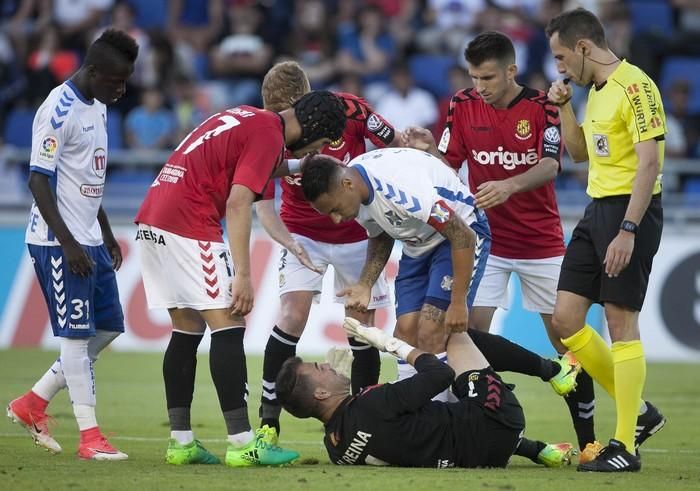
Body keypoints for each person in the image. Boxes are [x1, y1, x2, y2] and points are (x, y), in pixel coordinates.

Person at [301, 148, 580, 467]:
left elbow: (461, 234)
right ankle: (525, 428)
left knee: (437, 332)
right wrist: (365, 283)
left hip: (458, 237)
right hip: (418, 246)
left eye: (335, 209)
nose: (337, 219)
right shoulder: (356, 192)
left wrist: (459, 301)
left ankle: (553, 370)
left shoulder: (404, 191)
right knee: (405, 334)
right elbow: (380, 236)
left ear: (347, 185)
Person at [402, 31, 596, 456]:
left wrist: (508, 186)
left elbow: (549, 166)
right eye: (474, 77)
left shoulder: (543, 106)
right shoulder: (461, 104)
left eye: (488, 77)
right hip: (484, 242)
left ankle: (590, 443)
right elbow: (448, 167)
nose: (480, 87)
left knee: (569, 344)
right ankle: (464, 432)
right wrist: (427, 150)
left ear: (511, 70)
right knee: (464, 334)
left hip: (541, 243)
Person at [134, 90, 347, 467]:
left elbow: (256, 165)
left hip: (154, 216)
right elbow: (237, 203)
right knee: (230, 324)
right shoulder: (270, 134)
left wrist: (300, 167)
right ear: (314, 129)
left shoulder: (248, 116)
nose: (312, 150)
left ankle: (181, 442)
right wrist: (243, 275)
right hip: (189, 222)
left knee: (186, 330)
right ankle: (243, 442)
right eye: (318, 143)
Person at [6, 29, 138, 461]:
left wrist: (101, 232)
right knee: (76, 341)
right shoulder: (57, 109)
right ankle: (90, 437)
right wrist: (67, 243)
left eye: (126, 82)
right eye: (116, 82)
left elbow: (88, 179)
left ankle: (33, 402)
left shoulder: (97, 105)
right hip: (56, 242)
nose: (121, 91)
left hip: (88, 238)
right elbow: (37, 180)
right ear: (94, 70)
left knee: (109, 327)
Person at [546, 7, 667, 472]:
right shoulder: (593, 91)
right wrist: (563, 106)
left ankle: (625, 448)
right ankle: (639, 412)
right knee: (566, 321)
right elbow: (578, 154)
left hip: (629, 212)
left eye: (560, 57)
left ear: (582, 47)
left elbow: (649, 165)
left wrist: (629, 230)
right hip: (597, 208)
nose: (558, 66)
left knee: (620, 322)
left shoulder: (635, 86)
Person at [255, 61, 396, 436]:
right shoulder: (268, 130)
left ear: (303, 101)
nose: (279, 120)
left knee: (360, 326)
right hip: (302, 234)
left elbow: (395, 145)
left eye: (283, 111)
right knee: (293, 312)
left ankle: (362, 417)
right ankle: (268, 422)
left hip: (357, 231)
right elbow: (263, 204)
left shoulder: (350, 110)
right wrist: (287, 242)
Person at [276, 317, 526, 468]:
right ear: (320, 393)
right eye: (321, 367)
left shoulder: (336, 449)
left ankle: (535, 449)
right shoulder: (373, 404)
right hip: (498, 421)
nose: (329, 364)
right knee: (451, 329)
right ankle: (550, 369)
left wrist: (349, 387)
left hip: (485, 457)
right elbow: (441, 375)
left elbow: (373, 425)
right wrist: (391, 344)